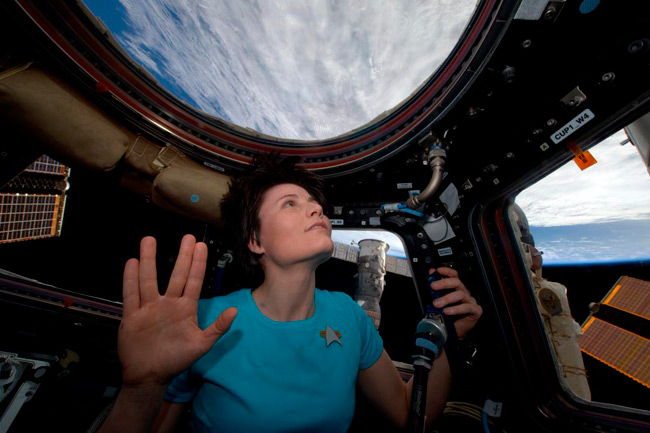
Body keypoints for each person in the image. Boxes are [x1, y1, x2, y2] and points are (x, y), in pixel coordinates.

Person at [98, 153, 482, 433]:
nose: (316, 210)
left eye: (316, 204)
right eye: (291, 204)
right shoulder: (201, 321)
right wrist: (140, 390)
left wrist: (452, 338)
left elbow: (408, 414)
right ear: (255, 240)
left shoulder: (349, 316)